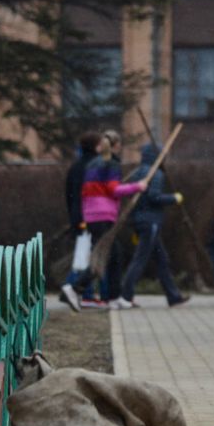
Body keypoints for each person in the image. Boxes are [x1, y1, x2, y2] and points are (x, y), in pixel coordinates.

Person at [60, 131, 147, 312]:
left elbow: (91, 190)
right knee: (105, 255)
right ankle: (74, 288)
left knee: (113, 256)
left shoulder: (92, 164)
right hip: (103, 215)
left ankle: (114, 298)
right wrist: (138, 186)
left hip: (92, 215)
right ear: (115, 146)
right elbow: (114, 190)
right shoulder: (112, 164)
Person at [112, 143, 189, 309]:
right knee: (140, 260)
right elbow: (154, 197)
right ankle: (125, 296)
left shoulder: (138, 172)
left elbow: (135, 199)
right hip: (150, 222)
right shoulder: (155, 174)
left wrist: (135, 223)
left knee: (162, 260)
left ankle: (173, 296)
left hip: (142, 221)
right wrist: (173, 198)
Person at [62, 131, 103, 306]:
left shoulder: (76, 166)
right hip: (88, 216)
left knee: (86, 255)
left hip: (80, 215)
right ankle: (72, 288)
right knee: (87, 256)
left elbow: (70, 195)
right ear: (95, 146)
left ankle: (84, 293)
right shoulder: (92, 166)